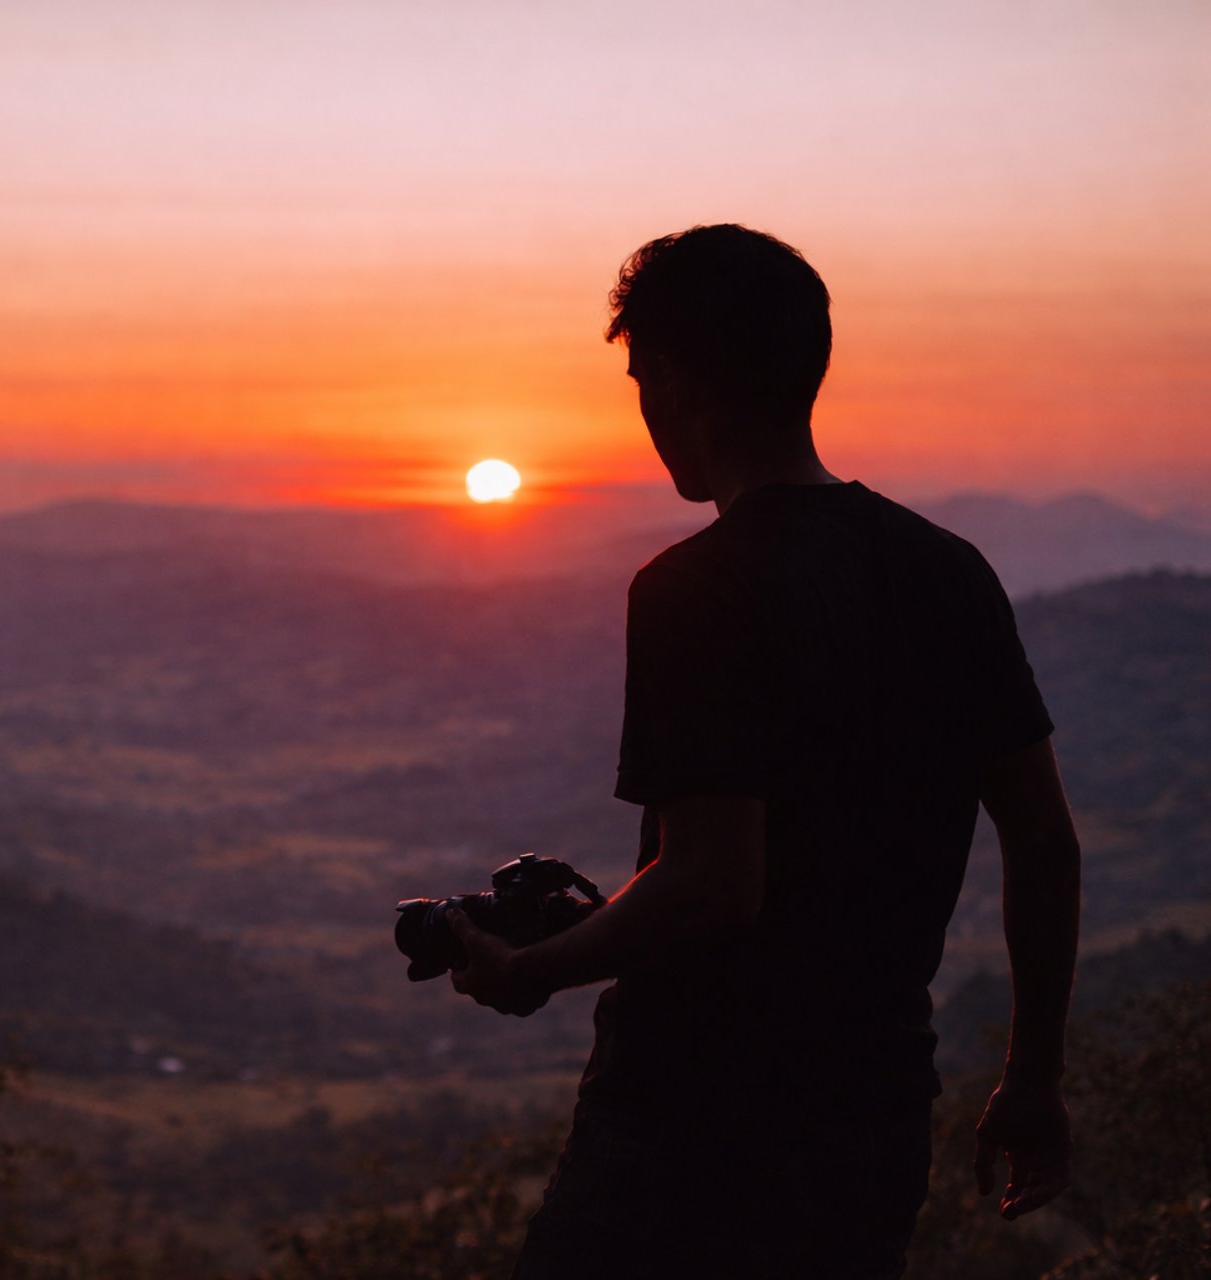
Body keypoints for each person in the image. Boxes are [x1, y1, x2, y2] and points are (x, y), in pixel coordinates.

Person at [445, 224, 1081, 1279]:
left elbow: (714, 881)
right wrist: (1034, 1076)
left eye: (643, 379)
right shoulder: (948, 570)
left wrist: (533, 968)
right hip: (871, 1116)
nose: (643, 413)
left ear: (687, 382)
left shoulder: (698, 585)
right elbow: (1044, 841)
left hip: (691, 1119)